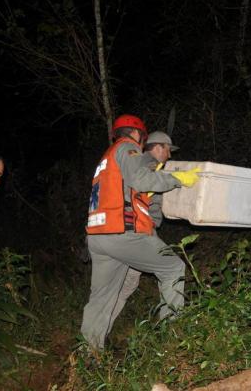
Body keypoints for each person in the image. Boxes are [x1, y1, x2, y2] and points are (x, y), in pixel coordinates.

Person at [81, 115, 200, 350]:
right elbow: (141, 179)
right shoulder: (127, 148)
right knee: (174, 268)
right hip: (122, 233)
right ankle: (172, 339)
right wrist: (177, 179)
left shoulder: (106, 159)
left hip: (98, 236)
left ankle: (88, 353)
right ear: (138, 135)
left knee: (103, 297)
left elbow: (127, 192)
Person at [107, 131, 180, 332]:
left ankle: (97, 337)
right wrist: (177, 180)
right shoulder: (146, 162)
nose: (170, 156)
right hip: (139, 231)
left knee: (125, 286)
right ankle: (171, 330)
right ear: (158, 148)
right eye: (168, 150)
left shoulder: (144, 164)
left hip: (125, 231)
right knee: (173, 269)